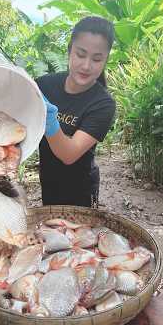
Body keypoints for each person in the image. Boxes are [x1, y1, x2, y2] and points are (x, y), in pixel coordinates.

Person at [36, 16, 116, 208]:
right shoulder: (44, 85)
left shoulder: (103, 104)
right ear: (69, 50)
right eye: (81, 54)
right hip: (48, 182)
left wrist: (51, 121)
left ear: (105, 60)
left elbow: (69, 154)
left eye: (97, 59)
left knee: (78, 236)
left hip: (80, 190)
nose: (87, 65)